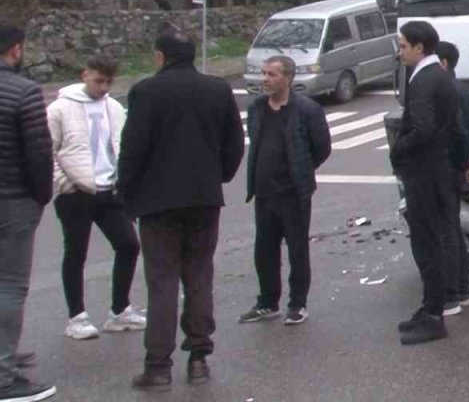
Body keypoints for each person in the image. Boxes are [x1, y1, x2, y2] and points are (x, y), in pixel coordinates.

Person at [117, 29, 244, 391]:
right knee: (200, 275)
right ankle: (199, 358)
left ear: (160, 56)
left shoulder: (146, 92)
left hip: (158, 203)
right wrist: (216, 176)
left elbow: (133, 149)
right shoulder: (218, 90)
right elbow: (234, 144)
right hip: (204, 199)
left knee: (162, 282)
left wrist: (126, 192)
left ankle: (158, 366)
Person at [48, 54, 146, 341]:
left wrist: (122, 182)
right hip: (76, 192)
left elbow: (121, 144)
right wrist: (64, 182)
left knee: (128, 245)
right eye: (98, 80)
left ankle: (120, 310)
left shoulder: (113, 107)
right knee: (76, 252)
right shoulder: (59, 109)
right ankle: (76, 316)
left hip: (108, 190)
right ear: (85, 75)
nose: (103, 87)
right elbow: (48, 150)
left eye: (108, 82)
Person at [238, 56, 331, 327]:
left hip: (293, 193)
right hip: (264, 193)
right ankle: (267, 302)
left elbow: (322, 147)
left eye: (271, 74)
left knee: (297, 249)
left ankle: (297, 304)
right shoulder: (256, 108)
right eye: (263, 74)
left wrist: (302, 168)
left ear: (288, 78)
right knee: (264, 250)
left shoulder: (307, 109)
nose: (265, 79)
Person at [390, 21, 458, 345]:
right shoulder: (440, 76)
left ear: (420, 47)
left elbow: (423, 129)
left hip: (424, 173)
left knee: (426, 244)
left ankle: (434, 315)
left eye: (403, 46)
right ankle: (430, 307)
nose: (399, 51)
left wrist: (397, 148)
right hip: (438, 170)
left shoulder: (423, 81)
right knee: (433, 239)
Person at [0, 21, 56, 402]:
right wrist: (41, 196)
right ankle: (4, 374)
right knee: (10, 284)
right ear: (16, 49)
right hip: (13, 199)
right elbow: (38, 152)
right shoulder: (24, 91)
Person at [436, 42, 469, 314]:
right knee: (452, 226)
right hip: (458, 166)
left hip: (446, 168)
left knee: (447, 230)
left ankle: (453, 292)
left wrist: (465, 160)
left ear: (443, 63)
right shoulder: (462, 88)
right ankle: (463, 289)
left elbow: (461, 132)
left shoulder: (446, 90)